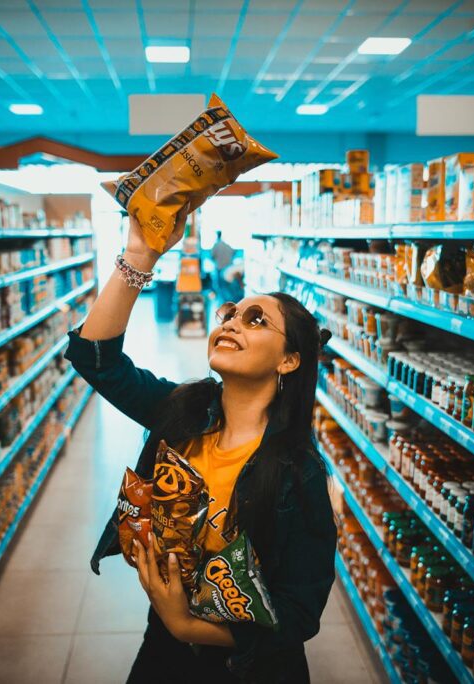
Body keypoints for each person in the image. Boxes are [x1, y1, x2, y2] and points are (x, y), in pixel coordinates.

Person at [65, 213, 336, 684]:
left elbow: (297, 615)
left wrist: (186, 624)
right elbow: (96, 360)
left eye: (255, 320)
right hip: (165, 650)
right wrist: (140, 256)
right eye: (230, 313)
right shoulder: (183, 412)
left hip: (250, 667)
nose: (231, 322)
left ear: (290, 360)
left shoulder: (302, 473)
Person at [210, 230, 236, 299]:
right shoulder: (226, 245)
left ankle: (225, 302)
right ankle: (230, 301)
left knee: (221, 287)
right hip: (228, 269)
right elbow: (234, 252)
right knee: (228, 288)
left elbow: (212, 256)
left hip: (220, 269)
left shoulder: (216, 245)